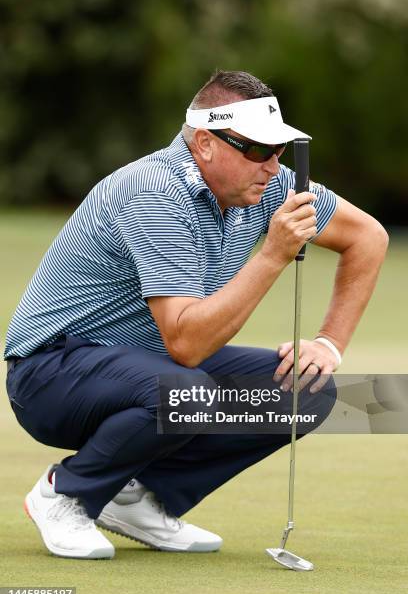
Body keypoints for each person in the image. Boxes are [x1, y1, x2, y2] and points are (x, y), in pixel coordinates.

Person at [4, 70, 388, 560]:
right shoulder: (155, 191)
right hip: (51, 375)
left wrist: (328, 343)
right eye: (256, 150)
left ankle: (139, 497)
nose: (272, 165)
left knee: (306, 389)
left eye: (279, 151)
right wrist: (272, 255)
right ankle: (67, 493)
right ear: (205, 143)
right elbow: (187, 344)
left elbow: (368, 238)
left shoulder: (265, 186)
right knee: (188, 390)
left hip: (151, 365)